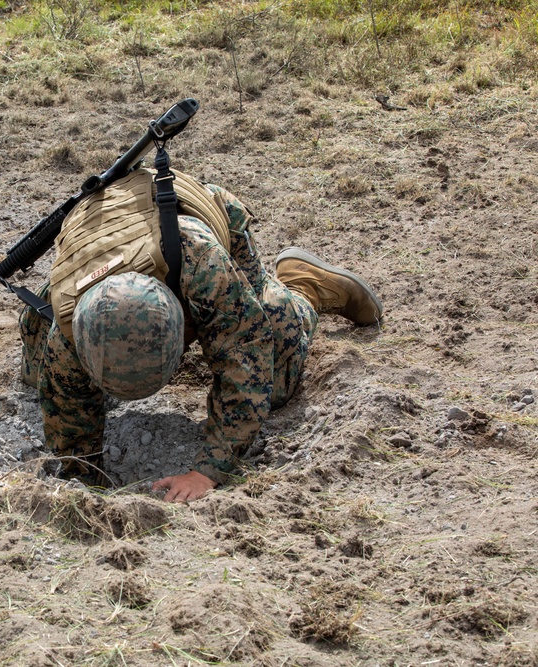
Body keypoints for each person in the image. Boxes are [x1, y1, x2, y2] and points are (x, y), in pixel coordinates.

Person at [19, 167, 383, 503]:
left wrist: (207, 472)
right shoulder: (68, 326)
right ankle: (33, 327)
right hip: (96, 240)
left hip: (194, 216)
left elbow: (245, 358)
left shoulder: (204, 267)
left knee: (276, 373)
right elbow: (68, 423)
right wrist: (86, 485)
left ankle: (305, 286)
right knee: (43, 380)